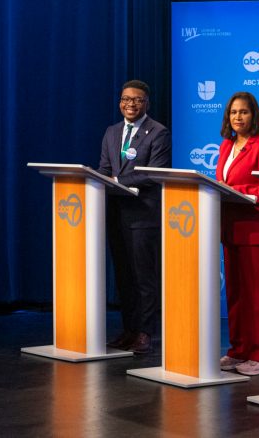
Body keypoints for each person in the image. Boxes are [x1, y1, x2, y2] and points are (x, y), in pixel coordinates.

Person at [98, 80, 171, 354]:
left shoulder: (158, 132)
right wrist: (99, 179)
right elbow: (104, 168)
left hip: (143, 216)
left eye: (137, 99)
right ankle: (129, 330)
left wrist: (117, 181)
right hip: (115, 215)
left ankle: (144, 332)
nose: (131, 104)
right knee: (124, 277)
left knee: (144, 278)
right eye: (126, 99)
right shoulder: (112, 131)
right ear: (120, 102)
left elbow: (153, 173)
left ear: (146, 103)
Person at [216, 92, 259, 376]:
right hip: (230, 228)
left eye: (243, 112)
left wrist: (236, 191)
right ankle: (239, 350)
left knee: (258, 296)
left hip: (255, 229)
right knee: (236, 294)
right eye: (233, 112)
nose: (238, 117)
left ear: (254, 115)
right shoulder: (226, 145)